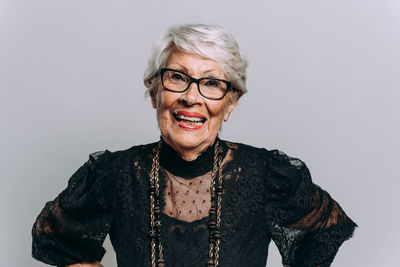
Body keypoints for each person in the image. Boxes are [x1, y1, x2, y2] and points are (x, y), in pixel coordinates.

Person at [32, 24, 357, 267]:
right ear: (154, 93)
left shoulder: (267, 174)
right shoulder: (114, 174)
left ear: (229, 104)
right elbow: (59, 239)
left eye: (212, 83)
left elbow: (323, 231)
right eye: (177, 77)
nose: (192, 97)